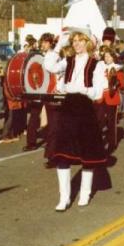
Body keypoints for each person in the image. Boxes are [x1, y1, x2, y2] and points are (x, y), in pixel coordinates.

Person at [44, 30, 106, 211]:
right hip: (67, 108)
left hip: (85, 109)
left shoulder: (97, 63)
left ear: (88, 42)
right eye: (74, 41)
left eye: (80, 41)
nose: (77, 44)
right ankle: (64, 197)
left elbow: (98, 92)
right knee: (62, 153)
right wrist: (58, 46)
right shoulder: (68, 60)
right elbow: (49, 66)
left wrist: (83, 89)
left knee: (87, 154)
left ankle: (85, 193)